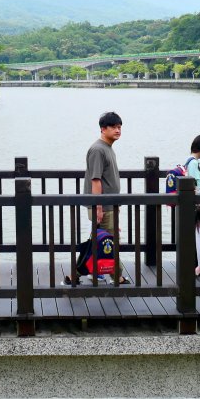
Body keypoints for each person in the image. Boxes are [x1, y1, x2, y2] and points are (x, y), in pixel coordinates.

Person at [84, 111, 130, 285]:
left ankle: (93, 271)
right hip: (101, 206)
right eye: (113, 127)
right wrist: (98, 207)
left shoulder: (108, 148)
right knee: (110, 242)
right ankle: (116, 276)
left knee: (100, 241)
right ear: (103, 129)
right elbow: (95, 180)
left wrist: (114, 205)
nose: (118, 130)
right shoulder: (98, 150)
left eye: (119, 127)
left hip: (108, 205)